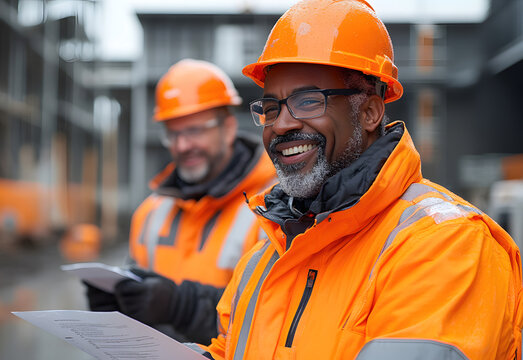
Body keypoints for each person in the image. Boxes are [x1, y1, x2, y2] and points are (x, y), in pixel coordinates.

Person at [186, 1, 523, 359]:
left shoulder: (446, 246)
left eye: (309, 101)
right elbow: (232, 350)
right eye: (271, 109)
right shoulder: (268, 256)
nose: (281, 125)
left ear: (370, 112)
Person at [84, 59, 277, 344]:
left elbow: (274, 322)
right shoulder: (150, 213)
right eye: (173, 133)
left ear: (229, 127)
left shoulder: (275, 209)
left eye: (195, 130)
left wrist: (182, 308)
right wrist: (120, 307)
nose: (183, 145)